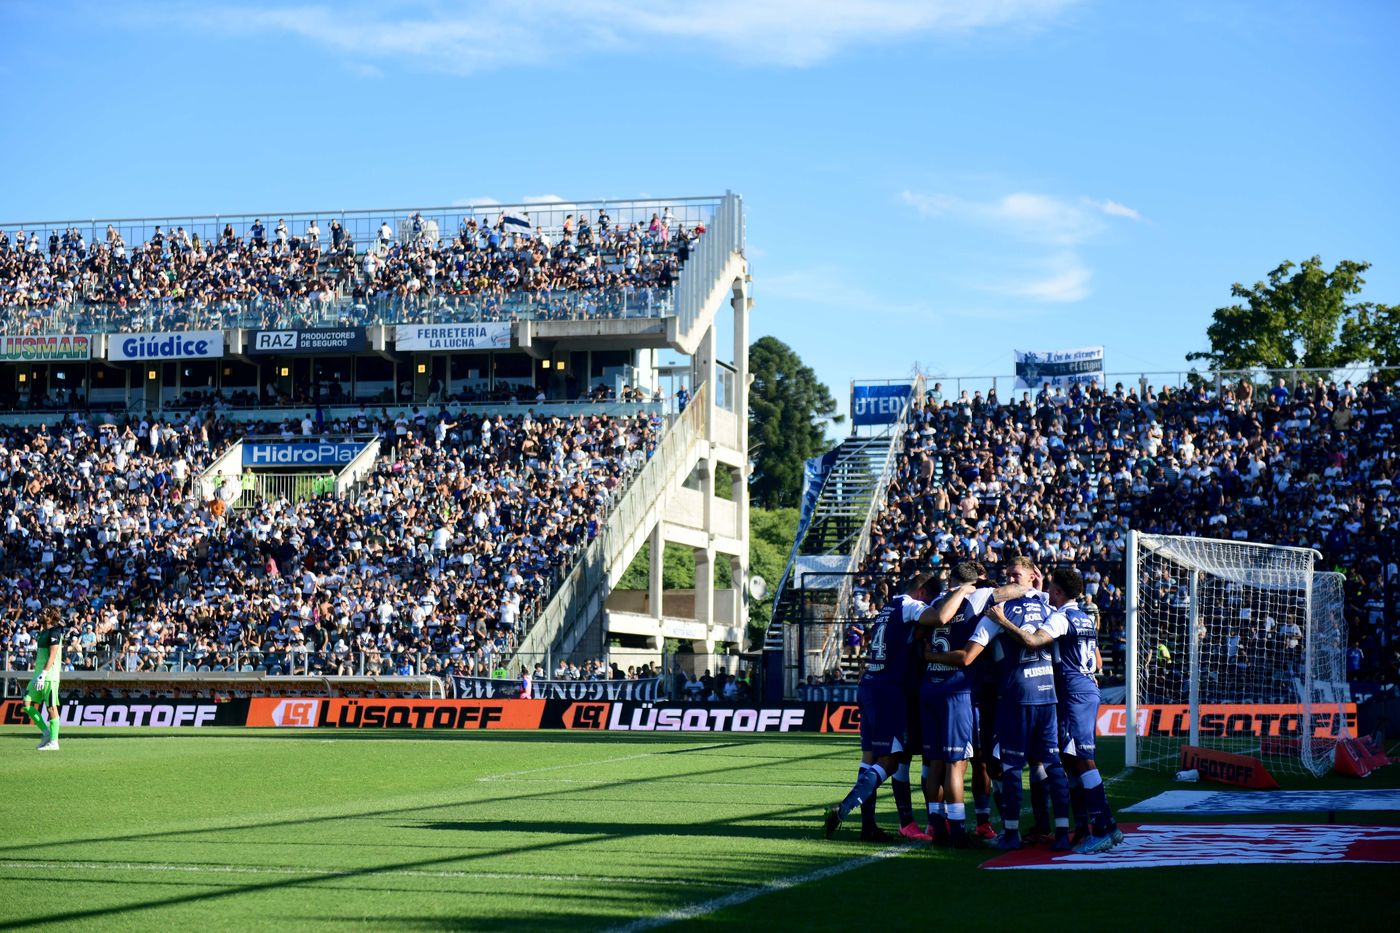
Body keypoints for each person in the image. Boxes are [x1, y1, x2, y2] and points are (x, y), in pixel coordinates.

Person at [929, 558, 1072, 851]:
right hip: (1046, 694)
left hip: (1013, 696)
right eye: (1006, 576)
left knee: (1009, 765)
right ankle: (1060, 831)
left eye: (1014, 576)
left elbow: (969, 654)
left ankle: (1011, 833)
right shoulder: (1052, 608)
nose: (1009, 580)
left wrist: (931, 656)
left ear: (1032, 577)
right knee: (1048, 764)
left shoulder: (997, 611)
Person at [990, 567, 1123, 853]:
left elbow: (1033, 640)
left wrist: (1003, 621)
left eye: (1050, 588)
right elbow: (1098, 661)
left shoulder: (1060, 619)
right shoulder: (1084, 616)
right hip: (1084, 689)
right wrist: (1038, 585)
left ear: (1059, 592)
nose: (1047, 592)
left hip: (1073, 693)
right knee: (1071, 760)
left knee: (1084, 760)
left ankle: (1105, 826)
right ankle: (1085, 826)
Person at [824, 572, 939, 842]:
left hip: (870, 685)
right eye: (930, 600)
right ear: (922, 593)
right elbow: (936, 618)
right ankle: (845, 807)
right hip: (889, 690)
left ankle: (868, 827)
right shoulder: (910, 606)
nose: (931, 605)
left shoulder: (887, 609)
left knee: (869, 759)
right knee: (890, 761)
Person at [23, 607, 66, 751]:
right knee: (27, 703)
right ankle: (47, 733)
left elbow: (53, 655)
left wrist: (44, 674)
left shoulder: (55, 631)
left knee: (51, 708)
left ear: (51, 617)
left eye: (45, 612)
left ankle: (54, 742)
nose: (41, 613)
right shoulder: (44, 632)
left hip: (49, 676)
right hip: (38, 675)